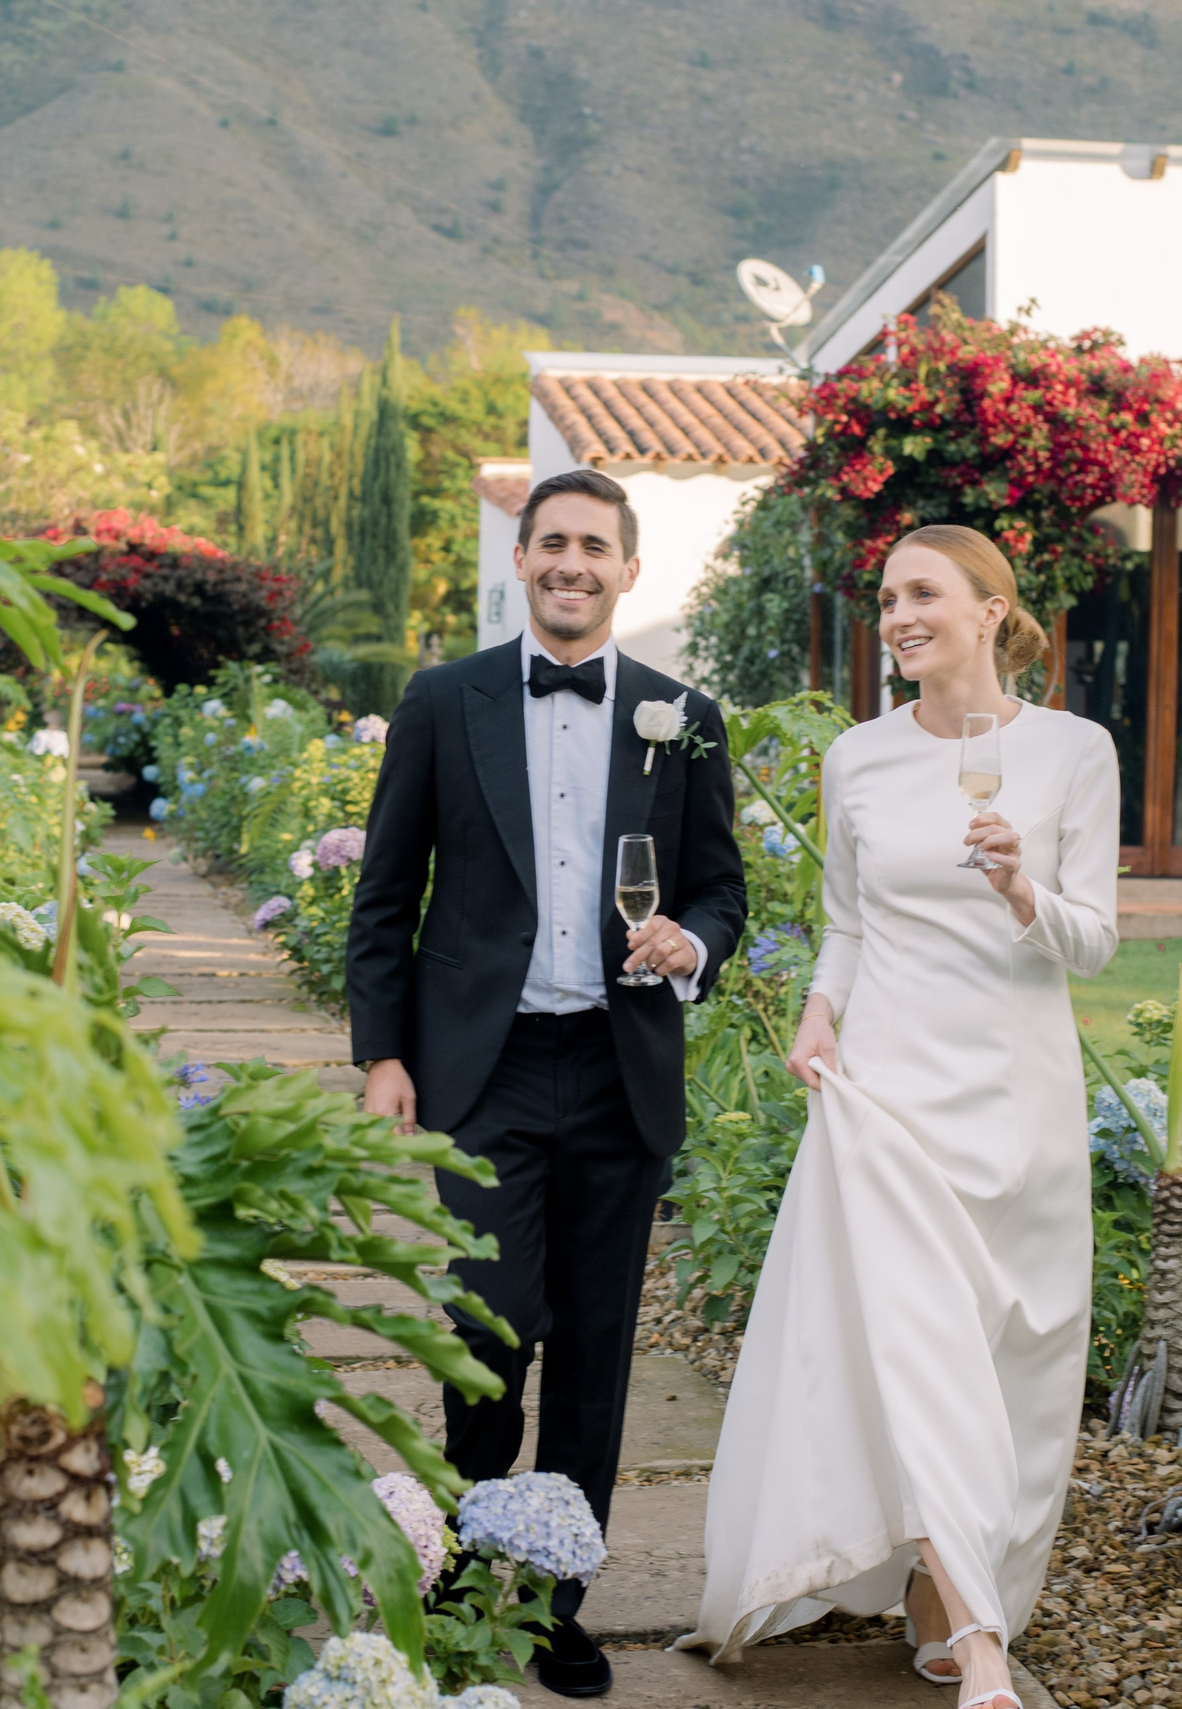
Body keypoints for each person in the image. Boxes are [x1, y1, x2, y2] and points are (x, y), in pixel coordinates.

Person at [678, 524, 1119, 1709]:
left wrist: (1024, 885)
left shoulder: (1075, 750)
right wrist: (820, 1011)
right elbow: (849, 921)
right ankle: (981, 1646)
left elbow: (1095, 936)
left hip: (1016, 1095)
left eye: (923, 593)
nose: (898, 614)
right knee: (915, 1347)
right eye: (885, 598)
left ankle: (942, 1585)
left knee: (1007, 1361)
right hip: (881, 1092)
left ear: (991, 610)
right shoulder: (859, 758)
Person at [347, 468, 748, 1699]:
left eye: (597, 546)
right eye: (554, 542)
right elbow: (382, 899)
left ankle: (558, 1596)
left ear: (631, 570)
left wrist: (694, 939)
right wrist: (381, 1056)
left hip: (619, 1070)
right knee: (486, 1328)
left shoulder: (686, 716)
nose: (574, 563)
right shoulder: (441, 700)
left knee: (594, 1348)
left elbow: (721, 889)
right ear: (521, 558)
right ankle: (472, 1563)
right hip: (487, 1069)